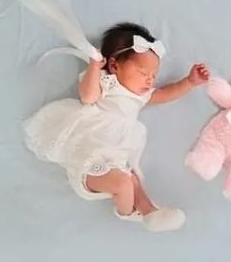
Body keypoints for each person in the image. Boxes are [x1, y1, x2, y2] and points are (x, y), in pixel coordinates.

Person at [24, 22, 210, 232]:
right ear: (114, 65)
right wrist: (94, 67)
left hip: (116, 153)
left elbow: (166, 94)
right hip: (91, 152)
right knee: (124, 182)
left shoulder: (142, 95)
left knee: (132, 179)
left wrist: (189, 82)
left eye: (153, 75)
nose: (149, 79)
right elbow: (88, 97)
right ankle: (128, 213)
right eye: (143, 72)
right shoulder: (108, 82)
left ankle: (149, 211)